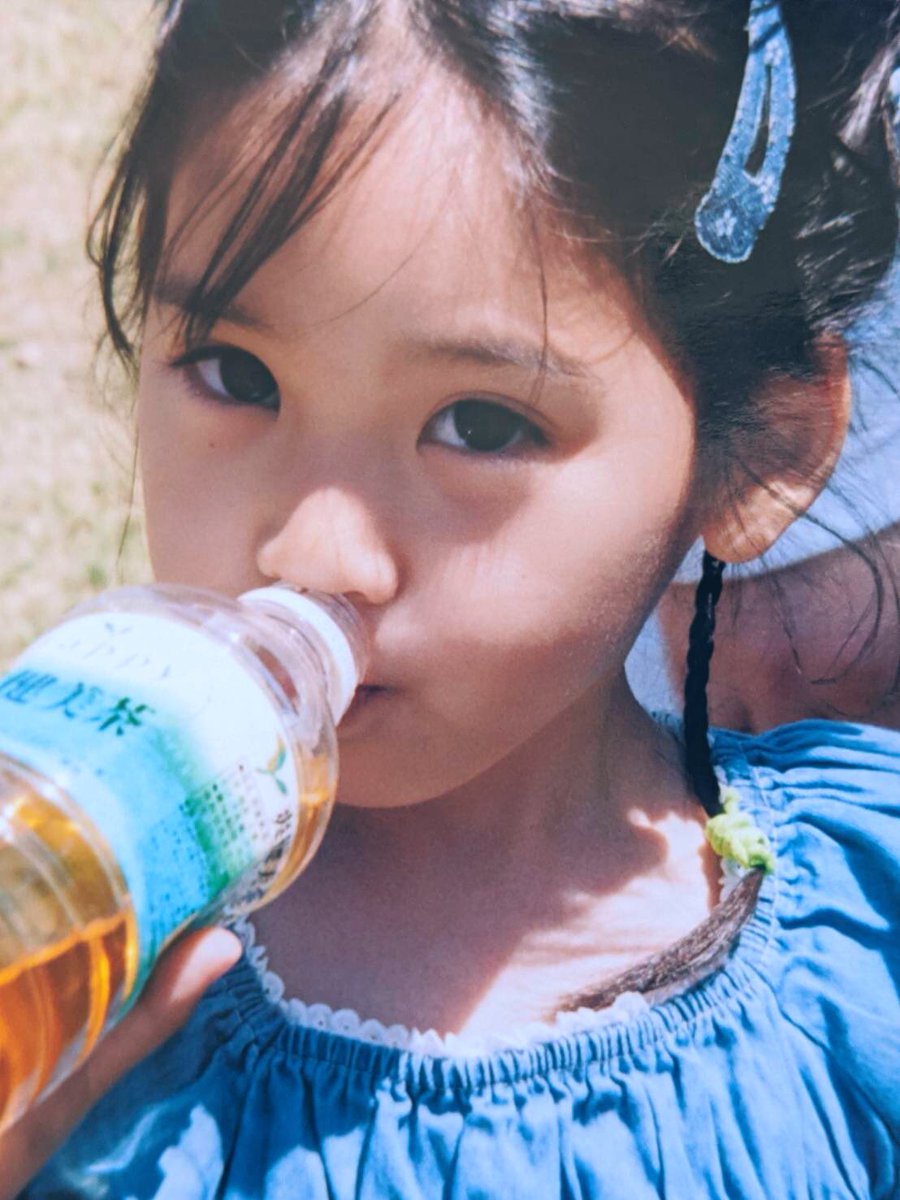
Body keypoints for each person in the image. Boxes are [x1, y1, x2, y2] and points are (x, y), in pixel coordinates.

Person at [6, 1, 899, 1195]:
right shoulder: (68, 943)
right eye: (235, 374)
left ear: (759, 454)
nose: (316, 551)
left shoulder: (869, 944)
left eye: (480, 424)